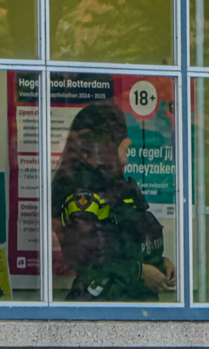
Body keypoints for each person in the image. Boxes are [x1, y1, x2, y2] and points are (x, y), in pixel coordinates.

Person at [51, 101, 176, 301]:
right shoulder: (81, 195)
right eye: (117, 142)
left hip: (132, 302)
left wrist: (158, 262)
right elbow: (89, 259)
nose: (127, 145)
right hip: (102, 306)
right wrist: (140, 271)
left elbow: (123, 243)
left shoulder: (116, 186)